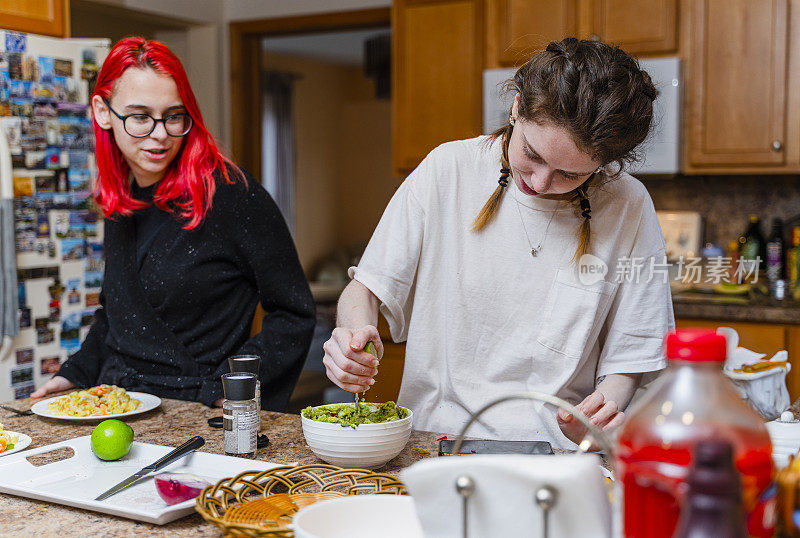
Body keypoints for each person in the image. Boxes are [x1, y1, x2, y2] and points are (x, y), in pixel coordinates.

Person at [323, 38, 674, 448]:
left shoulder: (628, 204)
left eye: (570, 175)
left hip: (556, 453)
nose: (541, 183)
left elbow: (631, 354)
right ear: (517, 106)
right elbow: (365, 289)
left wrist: (598, 416)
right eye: (533, 154)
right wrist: (351, 337)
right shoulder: (448, 170)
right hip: (435, 443)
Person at [31, 37, 315, 410]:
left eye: (174, 115)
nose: (161, 133)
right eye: (140, 117)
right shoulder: (122, 198)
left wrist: (227, 389)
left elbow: (294, 314)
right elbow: (119, 317)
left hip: (196, 411)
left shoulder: (230, 194)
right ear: (103, 112)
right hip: (118, 407)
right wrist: (74, 373)